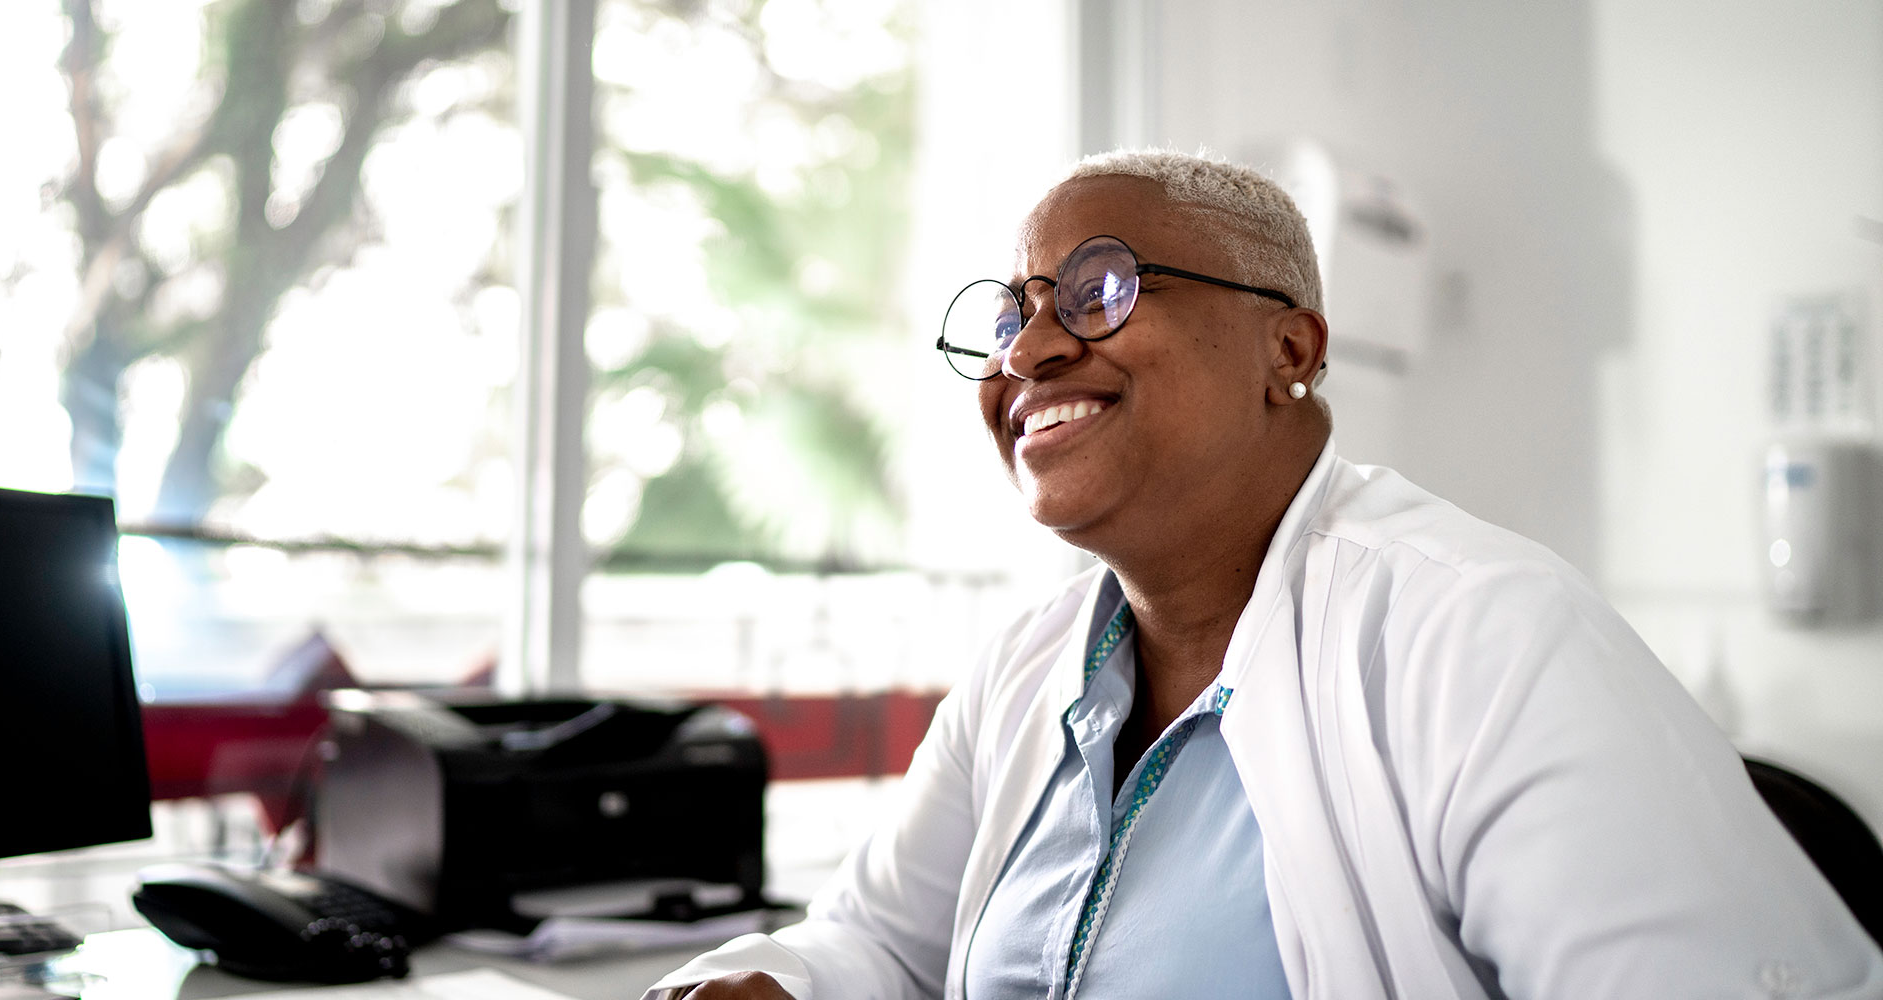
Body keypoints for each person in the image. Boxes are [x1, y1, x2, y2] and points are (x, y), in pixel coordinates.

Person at [641, 150, 1883, 999]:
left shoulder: (1481, 638)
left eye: (1099, 289)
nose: (1026, 350)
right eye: (1015, 308)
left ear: (1287, 346)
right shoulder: (1028, 671)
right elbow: (880, 942)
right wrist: (777, 980)